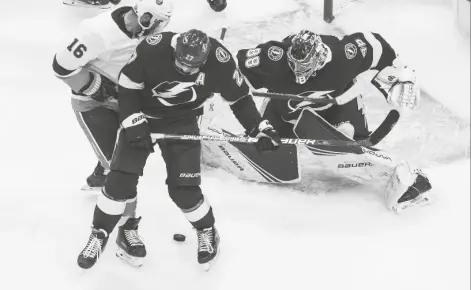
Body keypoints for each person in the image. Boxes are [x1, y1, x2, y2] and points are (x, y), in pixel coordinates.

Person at [76, 29, 280, 270]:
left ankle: (207, 230)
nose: (185, 70)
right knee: (120, 182)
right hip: (143, 116)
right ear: (176, 51)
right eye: (181, 64)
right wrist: (132, 119)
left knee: (184, 189)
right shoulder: (153, 48)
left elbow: (240, 98)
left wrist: (259, 129)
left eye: (193, 68)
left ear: (205, 60)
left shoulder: (220, 61)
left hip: (183, 121)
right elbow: (127, 84)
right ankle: (100, 233)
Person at [234, 29, 432, 213]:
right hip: (287, 110)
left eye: (304, 67)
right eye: (294, 65)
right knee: (267, 144)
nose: (298, 73)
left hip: (338, 107)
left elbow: (377, 45)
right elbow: (234, 71)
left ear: (320, 58)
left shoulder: (345, 55)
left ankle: (408, 177)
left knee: (350, 143)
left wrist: (403, 75)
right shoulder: (272, 56)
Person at [52, 0, 172, 190]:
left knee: (128, 147)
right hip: (94, 103)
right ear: (146, 18)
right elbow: (61, 66)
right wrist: (94, 87)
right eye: (159, 22)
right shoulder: (97, 32)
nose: (159, 28)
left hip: (123, 94)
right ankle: (118, 212)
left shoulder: (137, 29)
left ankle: (101, 176)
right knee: (120, 166)